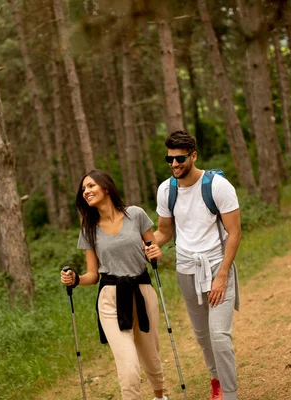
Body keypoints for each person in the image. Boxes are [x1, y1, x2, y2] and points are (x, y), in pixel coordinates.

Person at [61, 169, 168, 400]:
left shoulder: (136, 215)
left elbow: (154, 253)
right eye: (83, 189)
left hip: (142, 291)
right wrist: (76, 279)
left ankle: (160, 396)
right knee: (128, 365)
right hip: (110, 299)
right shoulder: (89, 229)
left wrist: (155, 252)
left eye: (90, 186)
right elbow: (92, 274)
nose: (86, 191)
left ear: (106, 187)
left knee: (151, 356)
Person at [153, 131, 241, 400]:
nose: (174, 164)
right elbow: (164, 232)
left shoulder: (217, 186)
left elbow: (235, 233)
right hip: (187, 270)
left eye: (180, 158)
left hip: (217, 266)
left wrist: (222, 275)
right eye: (169, 158)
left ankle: (230, 393)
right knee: (203, 336)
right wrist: (148, 243)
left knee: (219, 337)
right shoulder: (166, 190)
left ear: (193, 156)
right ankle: (216, 378)